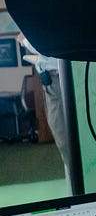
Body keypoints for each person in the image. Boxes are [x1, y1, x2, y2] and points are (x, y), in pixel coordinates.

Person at [17, 34, 72, 177]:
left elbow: (43, 45)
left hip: (61, 79)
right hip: (54, 80)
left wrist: (24, 40)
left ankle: (83, 192)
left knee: (66, 141)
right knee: (64, 138)